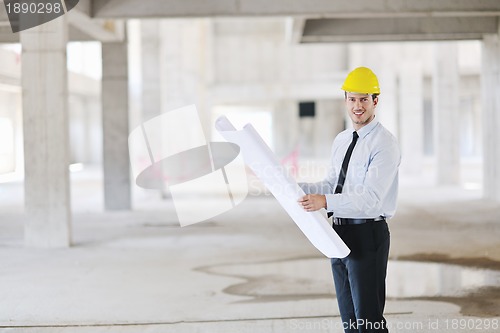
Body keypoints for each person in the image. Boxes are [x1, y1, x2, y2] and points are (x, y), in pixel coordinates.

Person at [298, 67, 401, 333]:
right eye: (352, 99)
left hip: (367, 234)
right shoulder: (342, 140)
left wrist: (325, 202)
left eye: (364, 99)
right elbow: (332, 185)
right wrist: (294, 187)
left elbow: (371, 201)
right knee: (350, 324)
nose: (357, 106)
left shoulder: (384, 144)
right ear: (345, 100)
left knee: (368, 323)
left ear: (375, 101)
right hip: (338, 233)